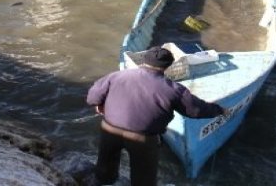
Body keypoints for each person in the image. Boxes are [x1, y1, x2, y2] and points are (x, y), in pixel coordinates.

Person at [86, 47, 226, 185]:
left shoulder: (116, 76)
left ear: (144, 60)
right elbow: (195, 110)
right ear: (168, 66)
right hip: (142, 138)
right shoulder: (173, 89)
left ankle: (104, 181)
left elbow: (92, 97)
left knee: (105, 166)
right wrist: (219, 110)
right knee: (143, 177)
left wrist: (100, 104)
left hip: (110, 129)